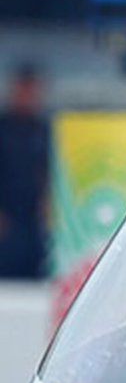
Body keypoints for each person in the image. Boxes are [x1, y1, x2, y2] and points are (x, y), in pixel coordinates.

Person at [0, 64, 51, 279]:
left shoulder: (44, 130)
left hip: (34, 219)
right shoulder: (3, 128)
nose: (28, 97)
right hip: (6, 215)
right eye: (24, 90)